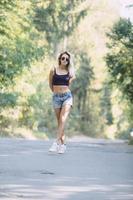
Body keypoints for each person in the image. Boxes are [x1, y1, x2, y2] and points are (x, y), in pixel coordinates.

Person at [48, 51, 76, 154]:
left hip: (67, 97)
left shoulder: (70, 73)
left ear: (69, 61)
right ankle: (63, 145)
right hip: (56, 97)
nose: (64, 60)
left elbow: (68, 84)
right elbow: (50, 83)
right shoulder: (53, 70)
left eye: (67, 59)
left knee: (63, 119)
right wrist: (55, 93)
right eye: (63, 58)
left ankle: (56, 143)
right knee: (60, 122)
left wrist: (62, 92)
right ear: (60, 59)